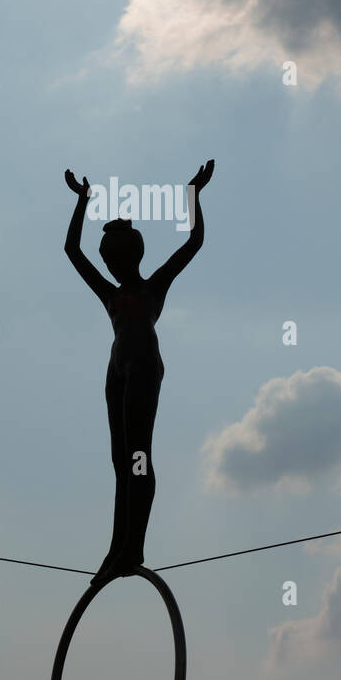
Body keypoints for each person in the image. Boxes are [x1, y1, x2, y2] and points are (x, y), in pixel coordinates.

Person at [64, 161, 214, 586]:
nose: (110, 268)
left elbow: (194, 242)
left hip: (144, 365)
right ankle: (117, 548)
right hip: (116, 371)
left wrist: (193, 195)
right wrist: (82, 202)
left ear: (130, 256)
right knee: (119, 461)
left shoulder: (153, 287)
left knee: (137, 457)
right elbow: (71, 252)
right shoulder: (109, 293)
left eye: (113, 259)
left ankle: (133, 546)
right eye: (107, 261)